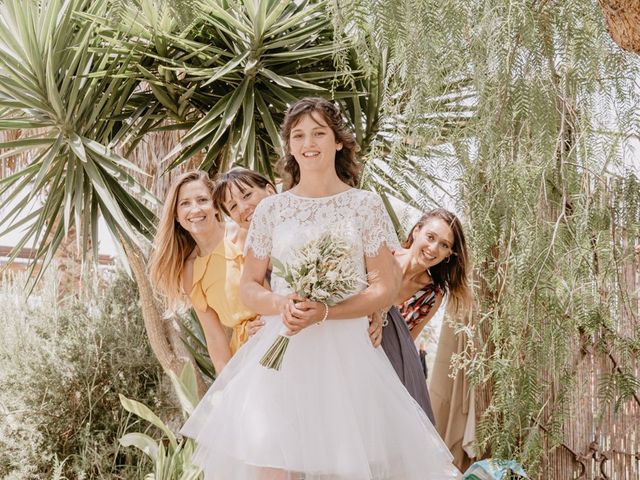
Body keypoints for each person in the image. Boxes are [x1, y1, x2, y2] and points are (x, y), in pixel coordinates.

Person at [181, 97, 460, 479]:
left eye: (318, 132)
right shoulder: (272, 211)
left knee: (343, 465)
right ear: (290, 147)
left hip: (348, 354)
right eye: (298, 135)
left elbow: (383, 287)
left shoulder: (364, 205)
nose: (308, 142)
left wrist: (328, 311)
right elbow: (249, 286)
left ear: (338, 141)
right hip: (282, 353)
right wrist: (281, 303)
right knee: (271, 464)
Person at [148, 170, 262, 374]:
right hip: (245, 357)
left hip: (278, 333)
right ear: (176, 215)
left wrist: (268, 323)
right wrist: (227, 385)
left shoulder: (244, 234)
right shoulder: (190, 271)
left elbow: (279, 284)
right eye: (185, 203)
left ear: (216, 207)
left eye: (202, 200)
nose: (195, 209)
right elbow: (215, 338)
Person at [379, 208, 472, 425]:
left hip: (382, 365)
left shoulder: (432, 295)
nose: (433, 249)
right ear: (416, 231)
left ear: (449, 254)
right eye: (430, 237)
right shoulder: (381, 257)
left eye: (444, 245)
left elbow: (405, 344)